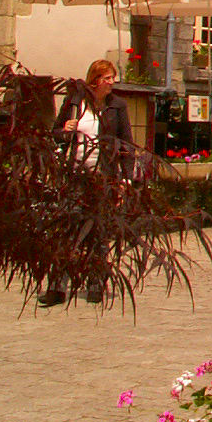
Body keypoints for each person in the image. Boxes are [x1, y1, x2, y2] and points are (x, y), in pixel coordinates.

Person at [41, 59, 136, 306]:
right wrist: (65, 129)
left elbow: (126, 144)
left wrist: (125, 177)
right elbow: (55, 134)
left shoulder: (117, 106)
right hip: (74, 176)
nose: (111, 82)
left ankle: (96, 284)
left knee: (99, 232)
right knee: (66, 231)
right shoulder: (74, 103)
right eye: (107, 78)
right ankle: (57, 287)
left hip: (102, 177)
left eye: (113, 77)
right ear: (95, 80)